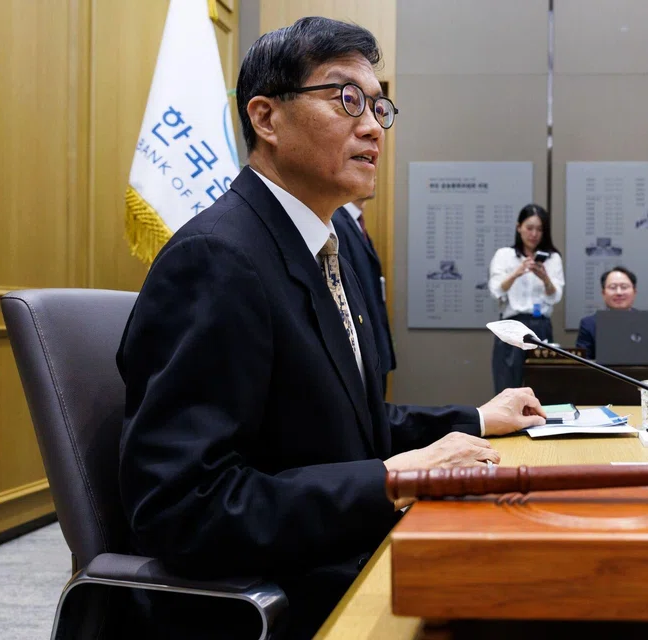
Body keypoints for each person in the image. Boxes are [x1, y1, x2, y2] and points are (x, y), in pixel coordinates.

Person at [116, 18, 546, 639]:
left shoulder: (334, 239)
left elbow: (346, 427)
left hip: (346, 556)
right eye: (346, 99)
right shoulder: (217, 260)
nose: (373, 126)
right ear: (266, 118)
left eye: (378, 106)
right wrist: (395, 477)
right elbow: (183, 507)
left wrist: (476, 420)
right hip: (285, 598)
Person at [488, 203, 565, 393]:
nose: (534, 234)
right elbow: (496, 290)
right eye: (529, 228)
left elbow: (555, 296)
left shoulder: (552, 258)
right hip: (512, 325)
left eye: (539, 229)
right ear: (518, 227)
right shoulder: (504, 255)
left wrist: (545, 278)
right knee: (507, 386)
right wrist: (517, 272)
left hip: (540, 325)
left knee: (542, 388)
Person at [332, 194, 396, 394]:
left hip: (373, 347)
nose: (373, 164)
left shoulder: (353, 221)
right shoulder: (336, 223)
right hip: (360, 354)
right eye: (360, 159)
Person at [575, 266, 637, 359]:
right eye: (613, 287)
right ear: (603, 293)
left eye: (624, 287)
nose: (619, 292)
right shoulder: (589, 324)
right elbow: (584, 362)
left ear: (634, 292)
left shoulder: (647, 322)